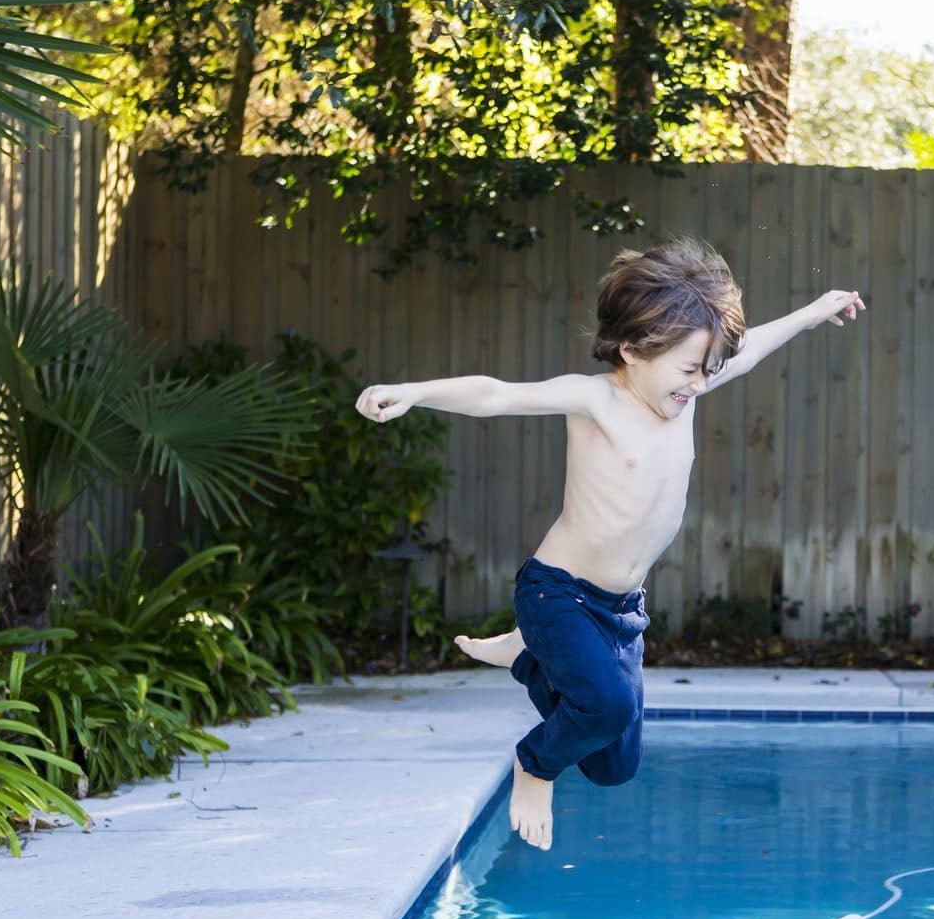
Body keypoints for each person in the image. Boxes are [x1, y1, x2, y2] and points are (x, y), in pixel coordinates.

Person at [355, 236, 865, 851]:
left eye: (708, 370)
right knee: (605, 709)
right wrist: (416, 392)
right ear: (632, 350)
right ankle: (532, 766)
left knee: (613, 764)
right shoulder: (597, 399)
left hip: (621, 610)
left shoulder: (683, 393)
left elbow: (748, 352)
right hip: (558, 593)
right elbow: (497, 394)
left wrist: (814, 312)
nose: (699, 385)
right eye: (687, 370)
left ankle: (525, 659)